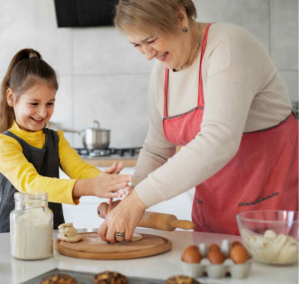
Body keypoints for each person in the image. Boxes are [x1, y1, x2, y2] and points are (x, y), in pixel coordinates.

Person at [98, 0, 298, 242]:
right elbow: (156, 149)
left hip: (272, 215)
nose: (148, 55)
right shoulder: (162, 69)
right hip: (212, 218)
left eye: (151, 40)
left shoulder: (229, 46)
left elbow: (219, 140)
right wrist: (127, 199)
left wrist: (138, 200)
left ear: (180, 18)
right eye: (137, 46)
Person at [0, 48, 132, 233]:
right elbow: (32, 185)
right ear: (11, 98)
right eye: (34, 103)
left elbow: (78, 169)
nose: (43, 112)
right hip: (11, 237)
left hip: (53, 233)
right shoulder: (3, 144)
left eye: (50, 103)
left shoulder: (56, 139)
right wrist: (92, 187)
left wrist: (106, 181)